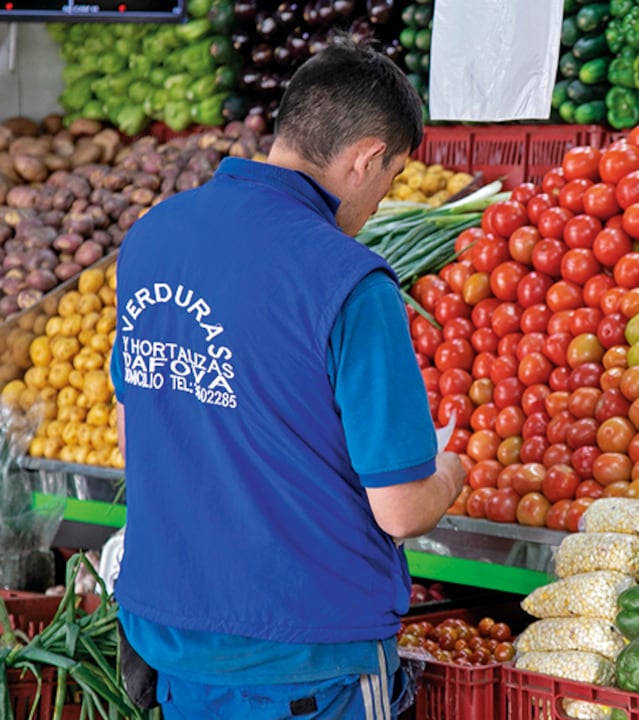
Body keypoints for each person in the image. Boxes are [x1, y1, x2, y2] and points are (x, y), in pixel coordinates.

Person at [108, 37, 466, 719]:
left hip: (175, 635)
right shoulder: (348, 280)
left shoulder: (152, 238)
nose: (379, 202)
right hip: (307, 654)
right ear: (367, 158)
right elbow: (399, 507)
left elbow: (137, 428)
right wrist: (450, 472)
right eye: (389, 178)